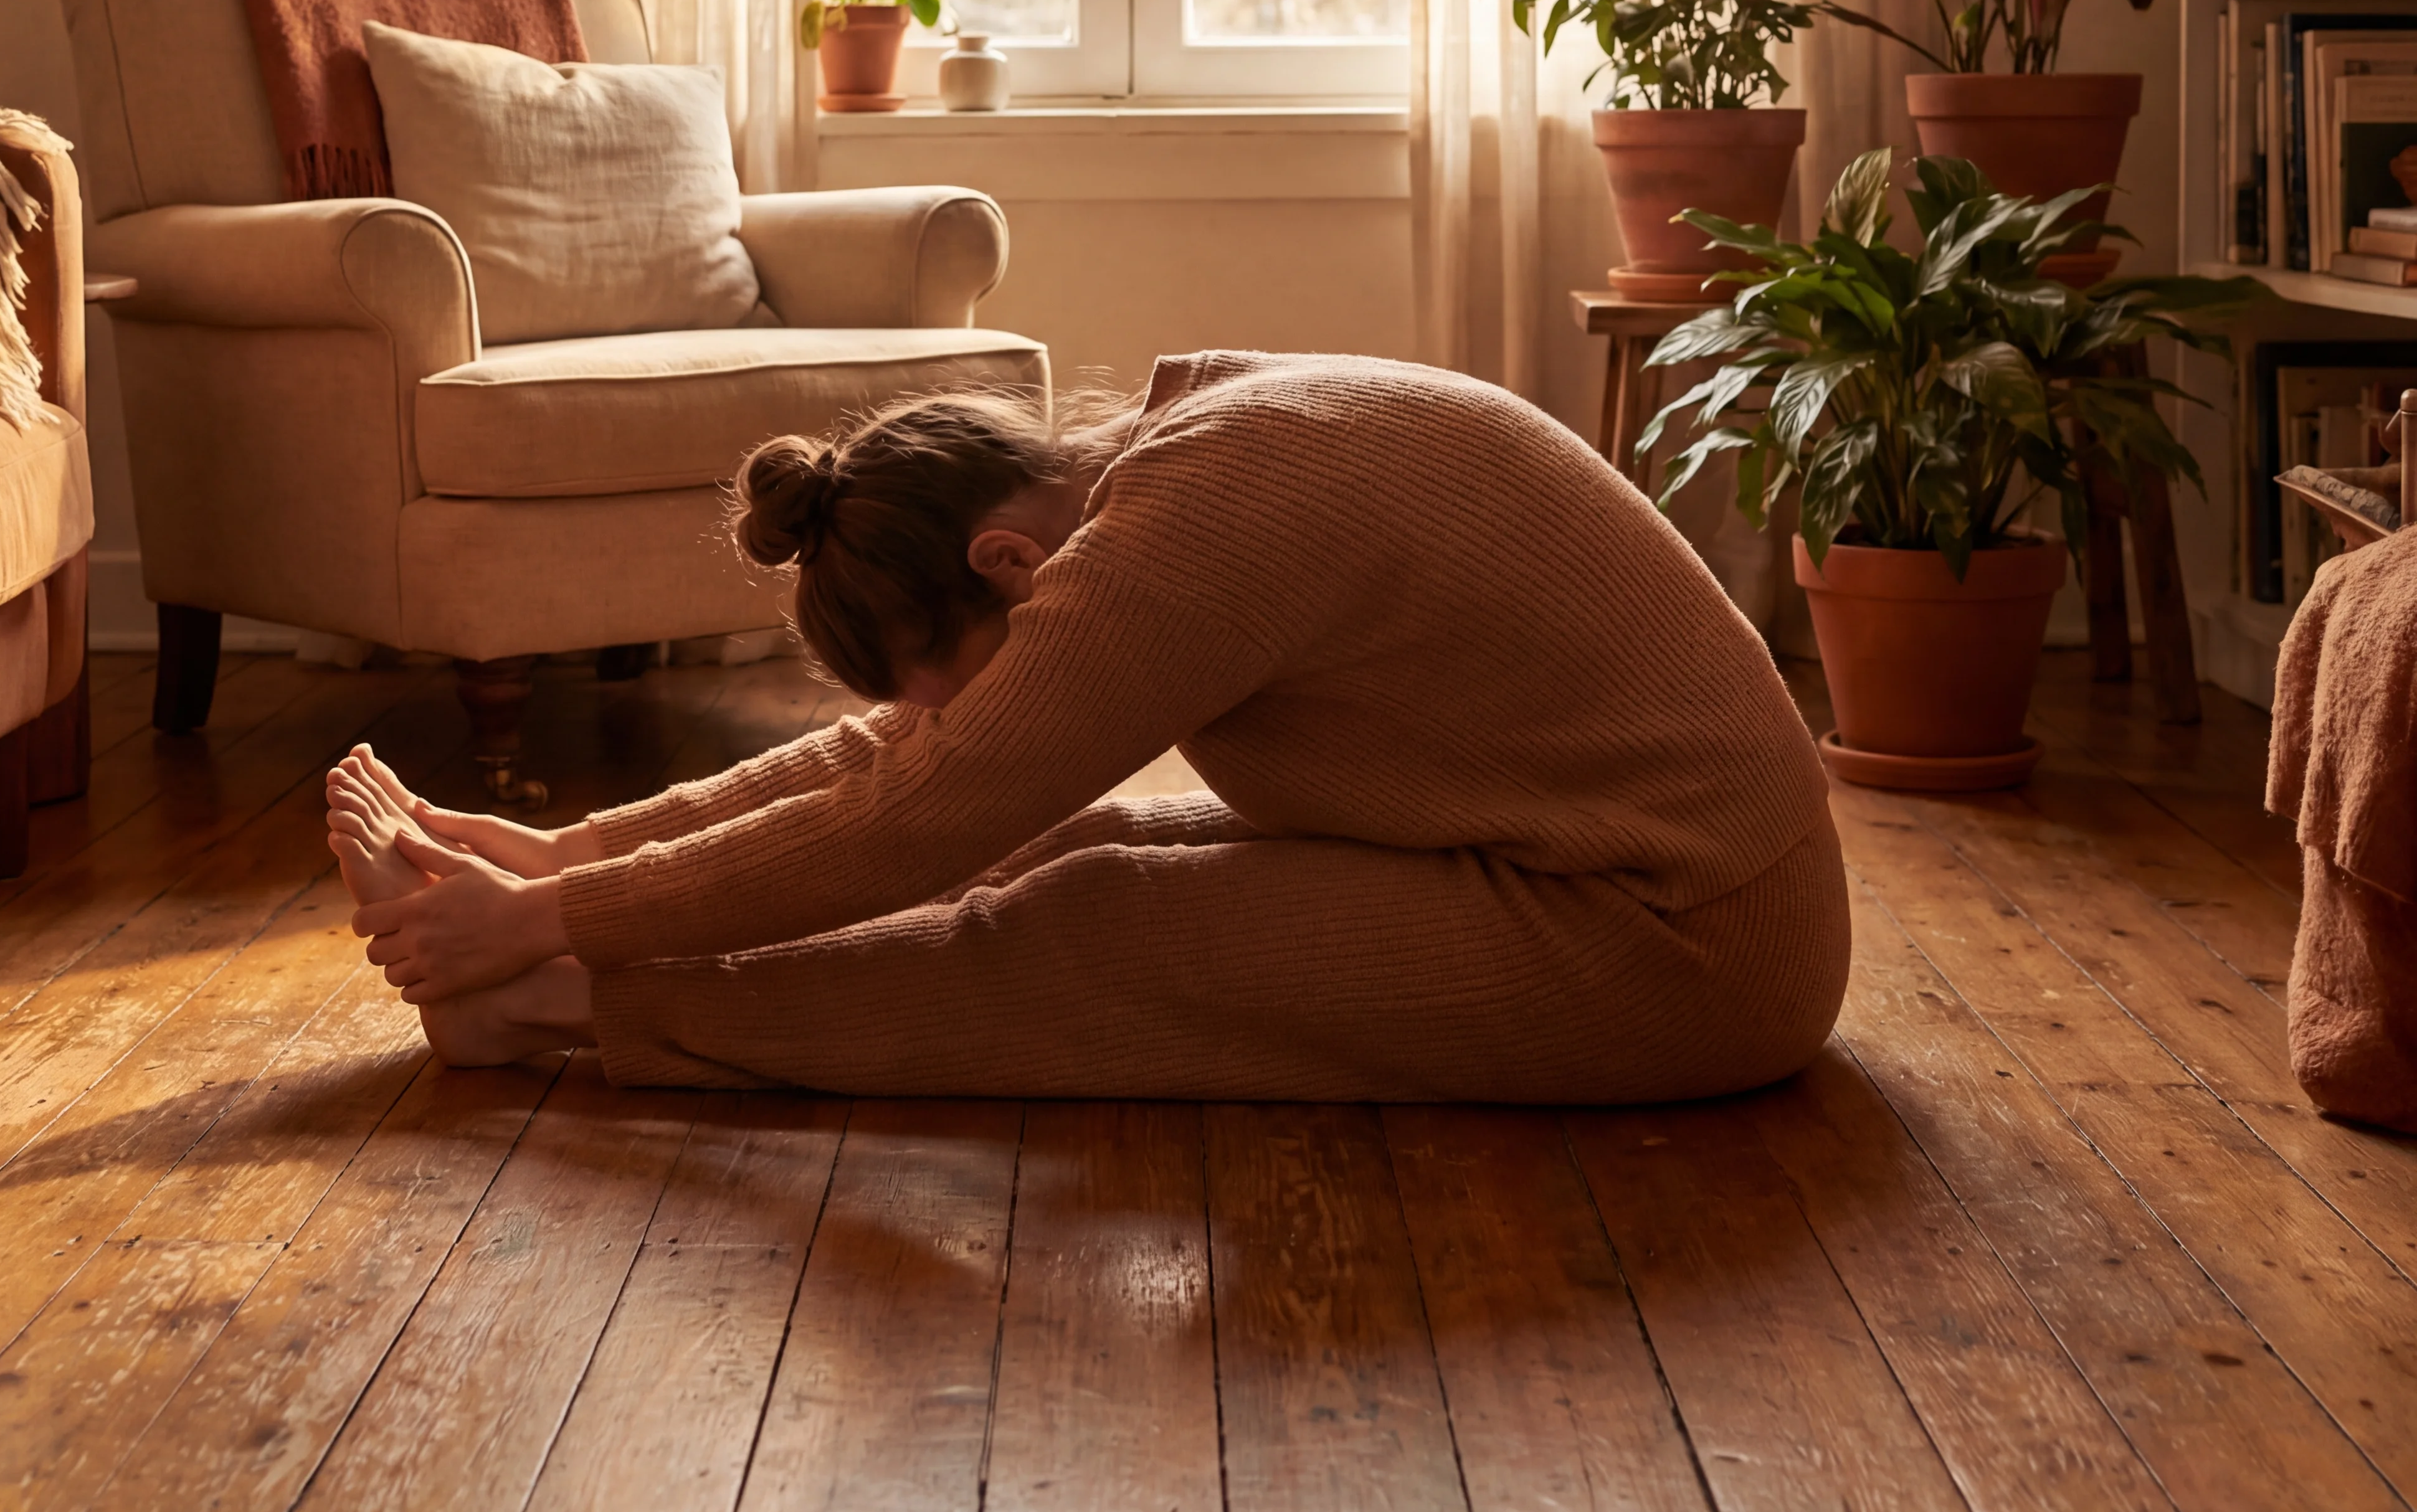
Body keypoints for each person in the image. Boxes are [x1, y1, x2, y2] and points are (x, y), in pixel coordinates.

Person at [328, 350, 1850, 1100]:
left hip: (1690, 944)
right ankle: (558, 973)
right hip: (1604, 871)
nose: (933, 711)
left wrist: (548, 930)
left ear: (1006, 565)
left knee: (1100, 914)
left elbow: (924, 809)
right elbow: (907, 761)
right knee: (1086, 825)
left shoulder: (1192, 525)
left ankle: (551, 1012)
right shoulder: (1146, 462)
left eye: (944, 665)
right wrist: (574, 849)